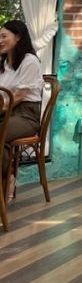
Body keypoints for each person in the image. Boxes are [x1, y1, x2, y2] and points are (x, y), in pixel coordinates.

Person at [0, 20, 44, 194]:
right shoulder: (4, 64)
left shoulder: (29, 61)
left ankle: (5, 184)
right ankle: (8, 178)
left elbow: (18, 96)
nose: (0, 40)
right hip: (8, 112)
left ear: (18, 37)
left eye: (4, 36)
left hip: (26, 116)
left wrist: (2, 110)